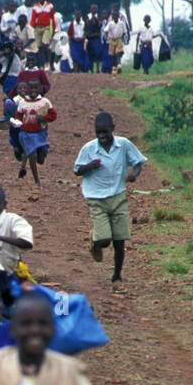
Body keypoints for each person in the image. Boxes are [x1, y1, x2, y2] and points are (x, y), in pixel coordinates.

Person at [74, 111, 147, 290]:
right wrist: (90, 166)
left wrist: (134, 175)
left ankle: (117, 275)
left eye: (105, 132)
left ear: (112, 129)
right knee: (105, 239)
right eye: (98, 133)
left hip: (118, 196)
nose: (102, 136)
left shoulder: (123, 145)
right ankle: (95, 241)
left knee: (120, 240)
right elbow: (77, 170)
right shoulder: (89, 148)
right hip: (96, 198)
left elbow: (138, 162)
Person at [9, 76, 56, 186]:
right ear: (27, 90)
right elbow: (18, 116)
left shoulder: (44, 102)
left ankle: (41, 151)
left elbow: (53, 115)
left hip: (40, 133)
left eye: (36, 88)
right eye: (31, 88)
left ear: (40, 89)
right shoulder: (23, 103)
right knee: (32, 155)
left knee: (40, 160)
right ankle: (36, 181)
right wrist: (16, 123)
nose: (33, 91)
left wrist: (44, 118)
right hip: (26, 133)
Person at [30, 0, 55, 69]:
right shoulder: (35, 7)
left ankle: (48, 63)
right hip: (38, 28)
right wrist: (33, 25)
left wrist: (53, 28)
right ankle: (42, 64)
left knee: (45, 44)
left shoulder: (49, 6)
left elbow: (52, 18)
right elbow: (33, 18)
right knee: (39, 47)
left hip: (46, 27)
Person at [106, 6, 129, 75]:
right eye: (114, 16)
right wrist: (106, 36)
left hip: (119, 39)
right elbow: (106, 30)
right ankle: (114, 68)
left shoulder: (121, 23)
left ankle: (119, 65)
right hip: (112, 40)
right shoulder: (110, 23)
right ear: (112, 17)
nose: (115, 17)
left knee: (118, 53)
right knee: (112, 54)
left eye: (116, 16)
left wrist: (124, 38)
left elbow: (125, 32)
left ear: (118, 16)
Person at [84, 5, 103, 73]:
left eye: (95, 9)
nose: (94, 10)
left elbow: (100, 25)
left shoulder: (99, 17)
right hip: (90, 38)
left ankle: (98, 69)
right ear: (90, 9)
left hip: (96, 38)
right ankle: (91, 69)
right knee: (90, 54)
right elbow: (86, 26)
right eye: (92, 9)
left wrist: (95, 19)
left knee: (97, 53)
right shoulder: (87, 17)